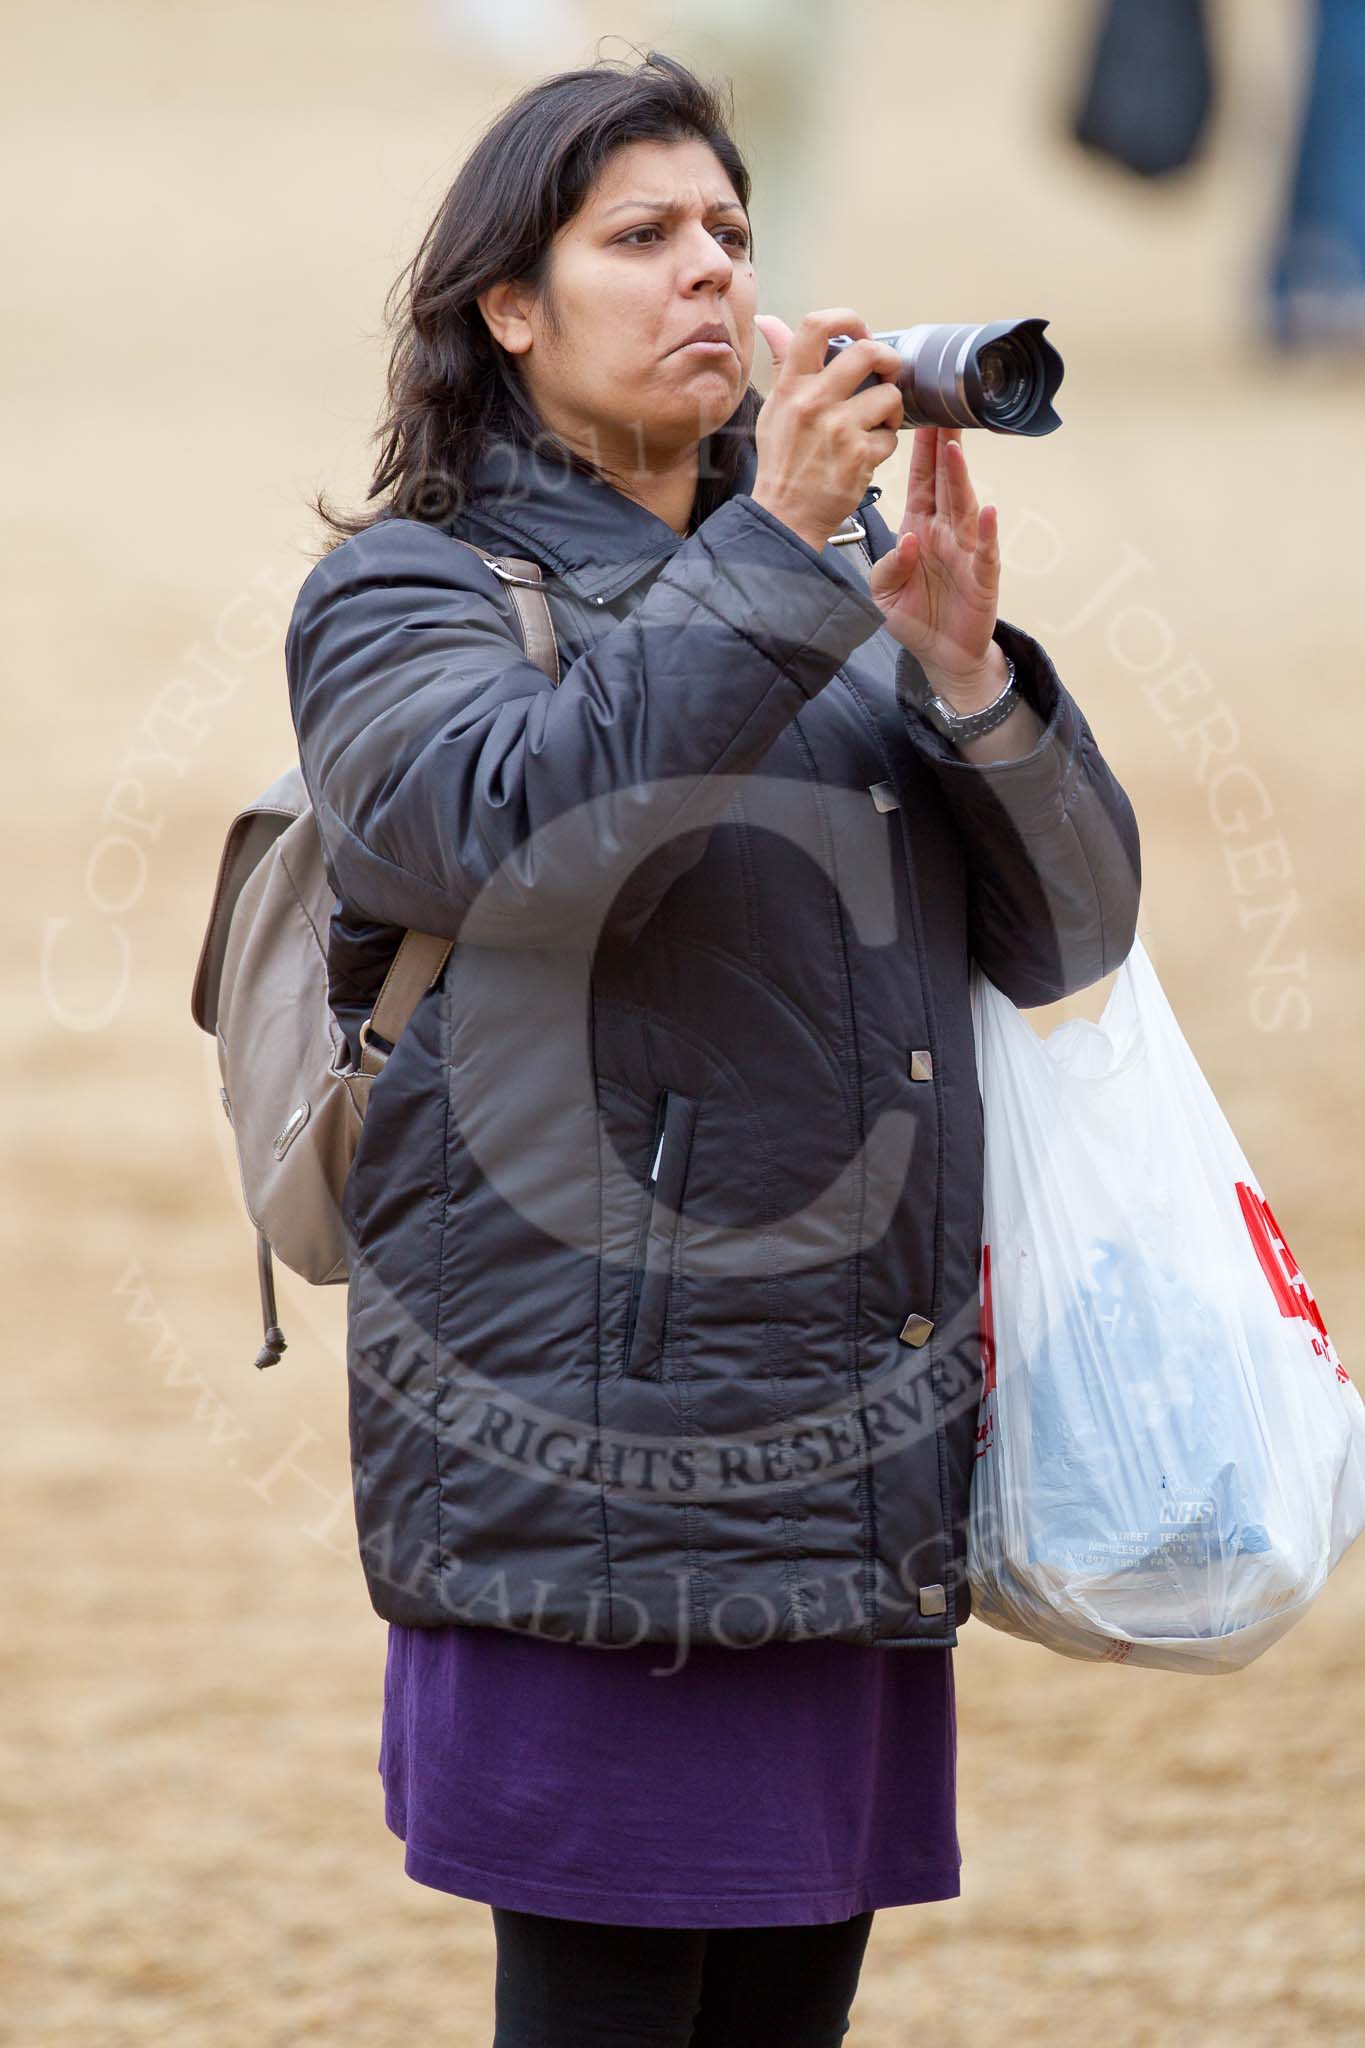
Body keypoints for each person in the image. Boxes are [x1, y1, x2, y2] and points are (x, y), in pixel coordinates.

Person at [285, 49, 1141, 2048]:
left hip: (845, 1463)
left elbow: (1073, 931)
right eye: (641, 235)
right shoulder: (401, 592)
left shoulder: (823, 591)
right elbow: (530, 831)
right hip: (591, 1468)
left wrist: (965, 685)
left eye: (731, 236)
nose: (706, 274)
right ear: (511, 302)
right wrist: (774, 548)